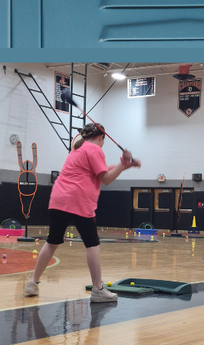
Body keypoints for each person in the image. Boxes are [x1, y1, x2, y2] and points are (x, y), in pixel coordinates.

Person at [24, 124, 140, 303]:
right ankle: (98, 289)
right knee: (92, 244)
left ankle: (33, 283)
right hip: (79, 200)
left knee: (52, 241)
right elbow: (106, 179)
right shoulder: (95, 150)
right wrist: (124, 167)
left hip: (58, 199)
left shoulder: (78, 149)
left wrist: (123, 164)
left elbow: (100, 168)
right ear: (101, 137)